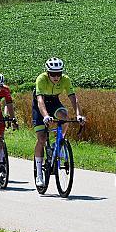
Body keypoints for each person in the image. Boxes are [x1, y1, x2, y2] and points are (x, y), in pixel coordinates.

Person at [32, 57, 86, 187]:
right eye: (53, 74)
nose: (56, 77)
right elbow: (40, 101)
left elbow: (73, 98)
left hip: (54, 102)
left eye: (58, 74)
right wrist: (45, 116)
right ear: (47, 72)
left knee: (64, 117)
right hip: (41, 105)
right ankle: (39, 173)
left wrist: (79, 115)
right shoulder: (41, 79)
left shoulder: (65, 80)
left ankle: (60, 144)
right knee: (41, 138)